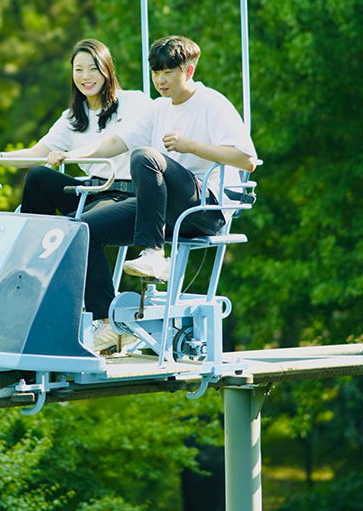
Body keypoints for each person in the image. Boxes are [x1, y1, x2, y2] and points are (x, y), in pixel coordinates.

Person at [48, 35, 258, 351]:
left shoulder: (212, 103)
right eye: (156, 72)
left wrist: (191, 147)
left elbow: (247, 160)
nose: (160, 80)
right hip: (163, 210)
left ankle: (154, 254)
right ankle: (110, 324)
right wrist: (72, 155)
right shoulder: (158, 108)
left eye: (168, 72)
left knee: (145, 157)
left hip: (204, 208)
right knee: (84, 229)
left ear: (189, 70)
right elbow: (115, 142)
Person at [0, 38, 152, 353]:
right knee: (39, 177)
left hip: (127, 194)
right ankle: (33, 276)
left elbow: (120, 143)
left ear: (107, 70)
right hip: (92, 190)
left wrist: (70, 155)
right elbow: (37, 153)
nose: (86, 77)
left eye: (93, 69)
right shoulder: (73, 117)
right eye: (79, 70)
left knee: (80, 228)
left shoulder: (133, 102)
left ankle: (106, 321)